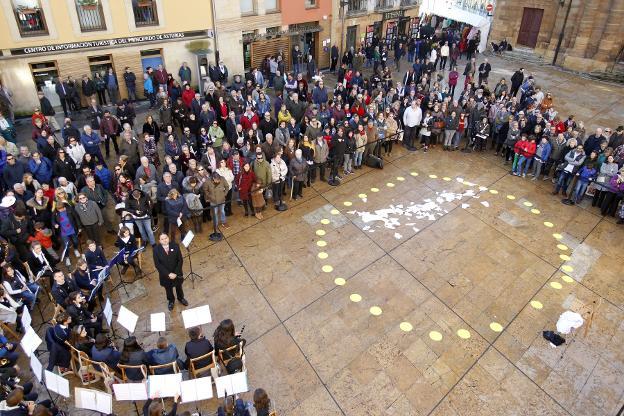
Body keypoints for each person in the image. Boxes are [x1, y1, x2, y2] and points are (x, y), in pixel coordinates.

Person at [153, 233, 187, 311]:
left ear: (168, 238)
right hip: (165, 275)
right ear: (159, 241)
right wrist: (168, 274)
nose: (164, 240)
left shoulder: (175, 246)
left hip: (176, 273)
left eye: (166, 238)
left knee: (179, 286)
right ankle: (171, 301)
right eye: (162, 239)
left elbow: (180, 260)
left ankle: (181, 298)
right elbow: (157, 264)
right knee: (168, 289)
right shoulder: (156, 250)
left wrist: (176, 273)